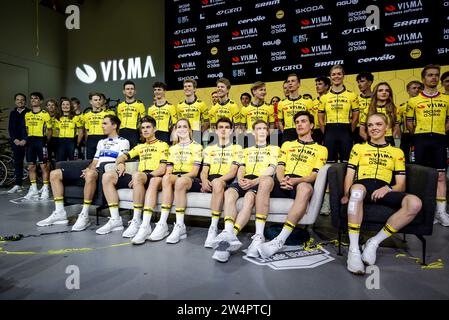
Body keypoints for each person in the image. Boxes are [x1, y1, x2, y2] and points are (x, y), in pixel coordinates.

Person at [341, 113, 422, 274]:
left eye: (378, 124)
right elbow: (350, 175)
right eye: (370, 125)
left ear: (387, 128)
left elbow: (401, 184)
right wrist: (346, 193)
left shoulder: (397, 152)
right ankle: (354, 250)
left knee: (415, 203)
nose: (374, 128)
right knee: (356, 192)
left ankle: (373, 243)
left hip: (385, 188)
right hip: (363, 185)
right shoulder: (358, 148)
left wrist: (388, 188)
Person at [37, 115, 130, 229]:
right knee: (54, 173)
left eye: (105, 123)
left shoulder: (123, 141)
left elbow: (120, 161)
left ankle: (84, 214)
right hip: (94, 170)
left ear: (114, 126)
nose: (102, 126)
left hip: (105, 172)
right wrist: (89, 168)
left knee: (90, 174)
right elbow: (95, 161)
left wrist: (92, 171)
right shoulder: (101, 142)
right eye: (102, 123)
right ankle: (59, 213)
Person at [258, 111, 328, 258]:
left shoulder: (321, 149)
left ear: (312, 125)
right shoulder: (287, 144)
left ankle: (280, 239)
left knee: (305, 188)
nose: (300, 124)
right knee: (265, 180)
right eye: (297, 122)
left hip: (301, 182)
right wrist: (282, 179)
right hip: (284, 181)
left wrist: (295, 181)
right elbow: (280, 166)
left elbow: (314, 175)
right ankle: (258, 235)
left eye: (303, 121)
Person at [210, 120, 279, 262]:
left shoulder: (274, 149)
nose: (260, 131)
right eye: (257, 129)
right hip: (244, 179)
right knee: (229, 193)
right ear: (253, 133)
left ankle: (230, 237)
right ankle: (227, 230)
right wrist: (240, 179)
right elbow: (241, 168)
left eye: (263, 129)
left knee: (249, 198)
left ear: (267, 132)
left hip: (259, 180)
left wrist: (254, 181)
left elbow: (271, 169)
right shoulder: (246, 150)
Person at [98, 116, 169, 236]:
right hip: (138, 177)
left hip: (152, 176)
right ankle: (115, 219)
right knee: (107, 176)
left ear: (155, 129)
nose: (145, 130)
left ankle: (137, 220)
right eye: (143, 128)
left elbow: (162, 169)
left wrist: (143, 175)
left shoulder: (163, 145)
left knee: (136, 175)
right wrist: (120, 163)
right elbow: (122, 156)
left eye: (148, 127)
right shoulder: (139, 147)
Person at [147, 118, 203, 243]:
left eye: (184, 126)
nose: (181, 129)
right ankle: (162, 223)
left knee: (179, 181)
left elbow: (194, 172)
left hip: (190, 179)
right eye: (179, 127)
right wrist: (167, 181)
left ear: (189, 130)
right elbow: (169, 170)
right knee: (166, 177)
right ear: (175, 130)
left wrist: (177, 178)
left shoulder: (197, 147)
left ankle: (180, 226)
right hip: (174, 177)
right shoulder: (172, 149)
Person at [406, 65, 449, 227]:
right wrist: (418, 134)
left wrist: (439, 132)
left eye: (436, 75)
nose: (434, 78)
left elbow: (448, 120)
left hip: (439, 139)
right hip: (420, 139)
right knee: (419, 176)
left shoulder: (446, 99)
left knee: (440, 176)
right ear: (423, 78)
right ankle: (421, 210)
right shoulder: (413, 101)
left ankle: (441, 212)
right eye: (430, 75)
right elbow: (409, 122)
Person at [199, 117, 243, 248]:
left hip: (226, 180)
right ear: (216, 131)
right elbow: (204, 170)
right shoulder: (209, 149)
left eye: (227, 127)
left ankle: (213, 227)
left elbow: (233, 171)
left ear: (231, 131)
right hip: (211, 178)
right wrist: (204, 180)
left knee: (218, 183)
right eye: (220, 127)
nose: (223, 130)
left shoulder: (237, 148)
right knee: (213, 182)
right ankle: (213, 228)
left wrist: (216, 181)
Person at [318, 65, 359, 163]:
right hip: (329, 131)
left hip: (345, 131)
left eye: (339, 74)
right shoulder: (324, 97)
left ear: (343, 76)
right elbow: (320, 119)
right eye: (333, 74)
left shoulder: (352, 95)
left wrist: (349, 130)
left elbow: (356, 116)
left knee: (347, 162)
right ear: (330, 77)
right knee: (329, 163)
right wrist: (327, 132)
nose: (336, 76)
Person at [24, 92, 52, 201]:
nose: (33, 100)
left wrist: (46, 142)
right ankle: (34, 189)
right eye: (31, 99)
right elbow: (26, 129)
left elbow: (49, 130)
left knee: (43, 166)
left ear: (40, 101)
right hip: (31, 141)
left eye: (36, 98)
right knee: (31, 166)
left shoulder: (45, 114)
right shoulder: (27, 114)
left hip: (41, 141)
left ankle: (45, 189)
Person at [278, 74, 313, 143]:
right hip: (287, 133)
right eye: (288, 82)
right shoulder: (281, 103)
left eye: (293, 81)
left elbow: (311, 120)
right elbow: (280, 121)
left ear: (298, 84)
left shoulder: (307, 101)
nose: (290, 83)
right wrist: (284, 132)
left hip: (303, 132)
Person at [81, 92, 116, 160]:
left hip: (103, 138)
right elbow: (87, 130)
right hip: (91, 139)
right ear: (91, 102)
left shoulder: (107, 114)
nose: (98, 102)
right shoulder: (86, 115)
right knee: (90, 160)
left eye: (99, 100)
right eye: (95, 100)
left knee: (103, 160)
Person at [240, 82, 275, 147]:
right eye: (261, 90)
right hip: (250, 139)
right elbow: (242, 126)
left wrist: (266, 135)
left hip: (264, 138)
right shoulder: (245, 108)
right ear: (254, 91)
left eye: (264, 90)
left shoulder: (270, 107)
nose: (264, 92)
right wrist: (247, 135)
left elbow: (272, 125)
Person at [7, 93, 30, 194]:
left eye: (22, 100)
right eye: (18, 99)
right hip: (16, 142)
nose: (20, 101)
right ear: (15, 101)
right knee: (17, 163)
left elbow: (31, 128)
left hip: (28, 141)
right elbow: (11, 128)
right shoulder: (13, 113)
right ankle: (18, 184)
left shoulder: (29, 112)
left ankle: (35, 186)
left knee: (32, 163)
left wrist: (25, 139)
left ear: (25, 101)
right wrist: (15, 139)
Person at [176, 79, 209, 143]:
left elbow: (207, 121)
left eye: (189, 86)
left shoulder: (201, 104)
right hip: (183, 132)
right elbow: (179, 122)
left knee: (196, 152)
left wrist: (199, 132)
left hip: (196, 132)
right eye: (185, 86)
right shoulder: (179, 105)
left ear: (194, 89)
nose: (187, 88)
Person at [397, 81, 422, 162]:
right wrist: (401, 136)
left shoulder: (426, 105)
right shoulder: (402, 107)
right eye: (414, 88)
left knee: (421, 158)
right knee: (405, 159)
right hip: (406, 135)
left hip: (421, 133)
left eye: (419, 88)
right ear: (408, 91)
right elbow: (397, 124)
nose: (417, 90)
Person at [116, 81, 146, 149]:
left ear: (135, 91)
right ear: (124, 91)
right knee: (121, 154)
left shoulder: (140, 105)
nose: (130, 91)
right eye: (127, 89)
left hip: (134, 132)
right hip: (122, 132)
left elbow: (143, 121)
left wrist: (142, 134)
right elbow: (118, 121)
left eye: (132, 89)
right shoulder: (120, 105)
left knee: (134, 156)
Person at [355, 72, 374, 144]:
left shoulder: (377, 99)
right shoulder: (355, 99)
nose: (359, 84)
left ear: (370, 82)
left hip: (373, 129)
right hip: (357, 131)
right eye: (358, 82)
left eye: (362, 81)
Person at [311, 76, 331, 144]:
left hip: (329, 129)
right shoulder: (312, 102)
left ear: (326, 86)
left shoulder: (331, 100)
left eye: (320, 84)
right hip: (316, 131)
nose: (317, 86)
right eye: (316, 84)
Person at [45, 99, 59, 166]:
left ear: (56, 106)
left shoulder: (59, 116)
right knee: (47, 160)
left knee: (58, 160)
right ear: (46, 107)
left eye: (53, 105)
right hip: (47, 139)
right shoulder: (43, 116)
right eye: (49, 105)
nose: (51, 107)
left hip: (57, 139)